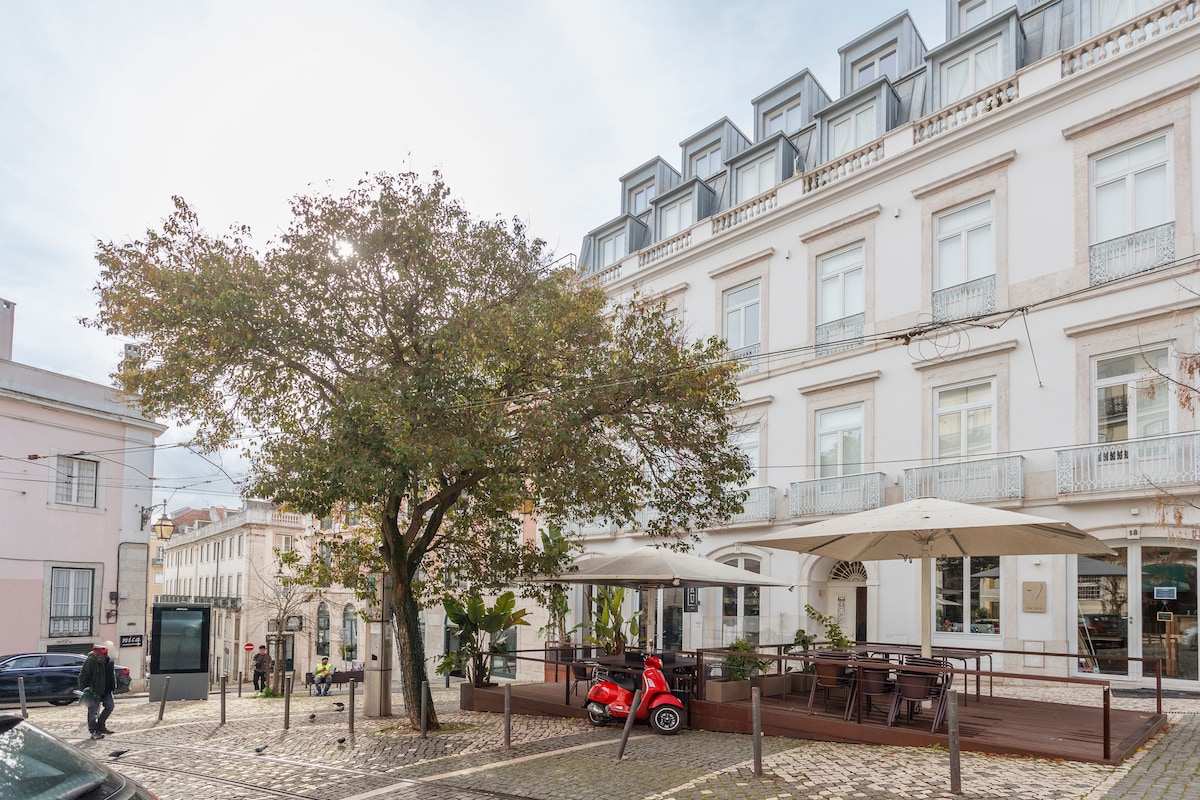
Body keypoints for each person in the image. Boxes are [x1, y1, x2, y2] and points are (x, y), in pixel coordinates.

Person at [78, 642, 116, 740]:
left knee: (110, 706)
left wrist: (113, 686)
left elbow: (111, 674)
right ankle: (93, 731)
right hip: (94, 690)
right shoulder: (91, 660)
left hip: (106, 689)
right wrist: (85, 688)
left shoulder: (109, 660)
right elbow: (83, 675)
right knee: (93, 712)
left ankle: (100, 725)